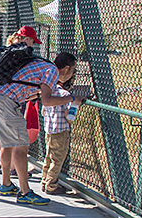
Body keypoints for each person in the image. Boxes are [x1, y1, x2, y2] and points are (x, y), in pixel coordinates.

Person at [0, 33, 76, 205]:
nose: (72, 76)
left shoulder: (40, 64)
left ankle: (5, 184)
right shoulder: (52, 71)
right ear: (66, 69)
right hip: (5, 100)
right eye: (73, 71)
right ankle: (25, 192)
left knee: (6, 144)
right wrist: (71, 99)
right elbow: (48, 101)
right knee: (21, 147)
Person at [39, 52, 83, 195]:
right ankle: (51, 185)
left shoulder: (49, 91)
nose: (73, 73)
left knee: (48, 157)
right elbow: (69, 117)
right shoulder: (65, 95)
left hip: (49, 130)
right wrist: (75, 104)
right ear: (66, 69)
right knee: (57, 160)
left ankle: (44, 180)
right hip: (61, 131)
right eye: (73, 70)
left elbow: (43, 112)